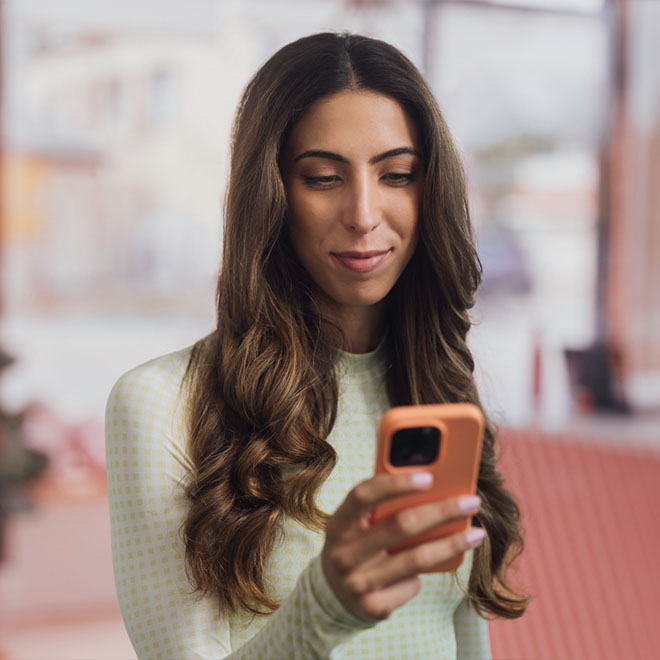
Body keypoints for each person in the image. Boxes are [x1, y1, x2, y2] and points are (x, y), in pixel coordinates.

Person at [105, 32, 527, 660]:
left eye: (398, 174)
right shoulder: (161, 403)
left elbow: (466, 642)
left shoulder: (439, 395)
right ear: (271, 195)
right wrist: (324, 607)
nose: (363, 212)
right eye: (324, 177)